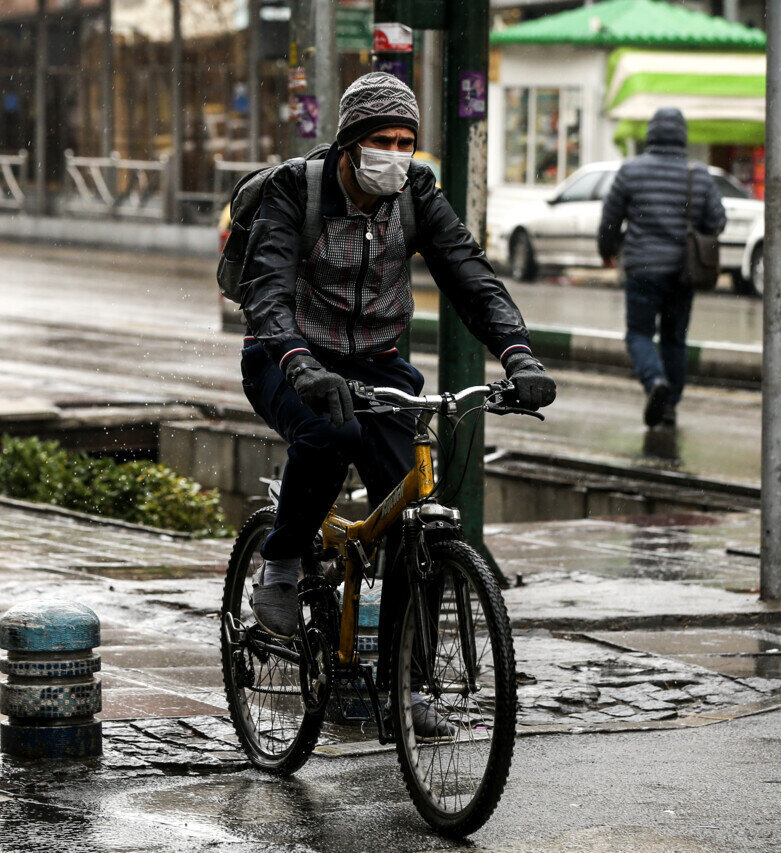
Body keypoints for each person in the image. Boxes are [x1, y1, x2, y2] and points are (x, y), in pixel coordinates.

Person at [238, 72, 556, 734]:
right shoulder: (296, 189)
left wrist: (518, 353)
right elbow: (266, 290)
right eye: (381, 140)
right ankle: (283, 555)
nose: (395, 154)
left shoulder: (416, 194)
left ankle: (404, 687)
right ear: (349, 143)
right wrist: (300, 364)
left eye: (406, 141)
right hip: (286, 355)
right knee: (329, 435)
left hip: (377, 365)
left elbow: (471, 277)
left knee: (419, 513)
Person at [597, 107, 724, 429]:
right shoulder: (698, 174)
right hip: (683, 271)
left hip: (642, 268)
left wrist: (606, 251)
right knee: (674, 339)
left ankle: (654, 380)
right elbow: (717, 220)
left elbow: (610, 218)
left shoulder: (631, 171)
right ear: (682, 136)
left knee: (639, 333)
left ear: (651, 134)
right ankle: (669, 407)